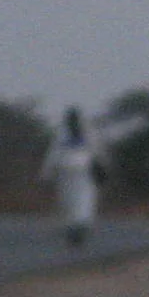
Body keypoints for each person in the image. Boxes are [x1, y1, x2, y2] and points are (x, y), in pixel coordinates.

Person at [42, 107, 97, 250]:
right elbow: (53, 154)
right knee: (69, 201)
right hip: (67, 172)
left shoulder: (87, 133)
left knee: (82, 200)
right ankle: (75, 227)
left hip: (81, 172)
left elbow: (95, 152)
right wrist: (47, 172)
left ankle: (79, 226)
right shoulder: (62, 135)